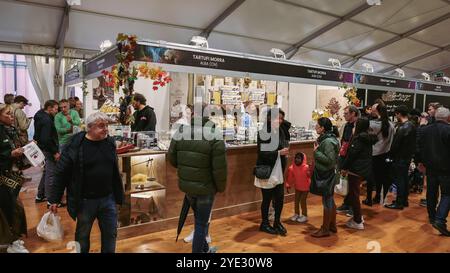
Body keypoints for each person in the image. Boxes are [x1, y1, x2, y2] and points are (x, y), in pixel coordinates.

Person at [48, 112, 124, 253]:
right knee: (82, 236)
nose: (106, 129)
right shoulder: (75, 146)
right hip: (85, 201)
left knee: (110, 234)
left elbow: (114, 170)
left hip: (108, 198)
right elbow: (61, 173)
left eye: (106, 125)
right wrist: (54, 198)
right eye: (101, 126)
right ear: (89, 128)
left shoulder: (110, 142)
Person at [168, 104, 227, 253]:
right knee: (201, 224)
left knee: (198, 219)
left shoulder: (181, 131)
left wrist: (185, 170)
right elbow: (219, 169)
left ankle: (205, 250)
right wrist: (221, 187)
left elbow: (172, 158)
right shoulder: (215, 134)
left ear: (193, 114)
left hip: (188, 187)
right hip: (206, 188)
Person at [254, 108, 289, 236]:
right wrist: (279, 153)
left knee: (279, 197)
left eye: (281, 118)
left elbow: (284, 140)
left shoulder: (280, 131)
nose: (279, 121)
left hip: (278, 169)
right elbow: (262, 153)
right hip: (267, 169)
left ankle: (277, 222)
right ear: (269, 118)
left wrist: (283, 152)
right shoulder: (263, 132)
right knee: (267, 198)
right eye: (277, 118)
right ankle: (264, 223)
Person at [0, 103, 28, 253]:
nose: (11, 117)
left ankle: (14, 239)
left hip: (13, 175)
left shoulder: (10, 130)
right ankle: (10, 242)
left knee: (14, 207)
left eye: (11, 114)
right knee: (9, 208)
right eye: (7, 114)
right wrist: (10, 154)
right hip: (3, 176)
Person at [418, 107, 450, 235]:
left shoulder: (425, 130)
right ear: (448, 118)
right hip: (446, 169)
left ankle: (432, 217)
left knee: (431, 192)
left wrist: (420, 162)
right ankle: (440, 220)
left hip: (430, 167)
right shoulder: (448, 130)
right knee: (447, 194)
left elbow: (419, 147)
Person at [341, 117, 377, 230]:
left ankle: (357, 221)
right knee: (354, 194)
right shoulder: (367, 138)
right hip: (363, 169)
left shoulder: (359, 139)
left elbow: (351, 155)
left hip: (356, 170)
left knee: (354, 195)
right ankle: (358, 217)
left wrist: (344, 167)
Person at [311, 117, 340, 237]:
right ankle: (332, 225)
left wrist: (316, 152)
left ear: (322, 128)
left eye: (317, 126)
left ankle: (325, 229)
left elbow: (329, 160)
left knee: (327, 200)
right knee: (330, 199)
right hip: (330, 174)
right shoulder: (329, 139)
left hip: (327, 175)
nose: (315, 128)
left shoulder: (327, 142)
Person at [385, 105, 416, 210]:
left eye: (396, 114)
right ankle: (404, 201)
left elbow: (395, 144)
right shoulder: (412, 125)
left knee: (400, 180)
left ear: (398, 114)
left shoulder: (403, 127)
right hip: (407, 157)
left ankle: (399, 203)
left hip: (400, 158)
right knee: (404, 179)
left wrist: (390, 156)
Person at [365, 103, 394, 206]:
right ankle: (378, 196)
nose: (371, 111)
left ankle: (368, 199)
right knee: (380, 177)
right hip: (385, 154)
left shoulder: (373, 124)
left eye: (372, 109)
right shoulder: (391, 124)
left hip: (373, 154)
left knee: (370, 177)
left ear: (377, 111)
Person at [34, 100, 61, 204]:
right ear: (49, 108)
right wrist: (54, 151)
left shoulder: (40, 115)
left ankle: (40, 195)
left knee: (46, 172)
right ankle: (51, 200)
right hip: (48, 149)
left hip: (43, 148)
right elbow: (46, 139)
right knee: (51, 173)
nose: (56, 111)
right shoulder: (47, 120)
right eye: (55, 109)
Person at [336, 105, 359, 216]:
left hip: (353, 159)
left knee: (353, 185)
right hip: (344, 155)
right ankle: (347, 203)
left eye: (346, 113)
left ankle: (353, 207)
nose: (344, 115)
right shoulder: (346, 125)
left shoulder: (358, 126)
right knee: (345, 182)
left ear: (353, 113)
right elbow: (343, 140)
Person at [285, 152, 311, 223]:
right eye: (296, 158)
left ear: (303, 159)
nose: (297, 159)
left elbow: (310, 176)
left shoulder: (306, 167)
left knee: (302, 201)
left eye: (299, 158)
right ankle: (296, 214)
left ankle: (304, 215)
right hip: (298, 187)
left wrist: (310, 171)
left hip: (306, 188)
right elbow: (290, 177)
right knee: (296, 201)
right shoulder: (292, 167)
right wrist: (288, 184)